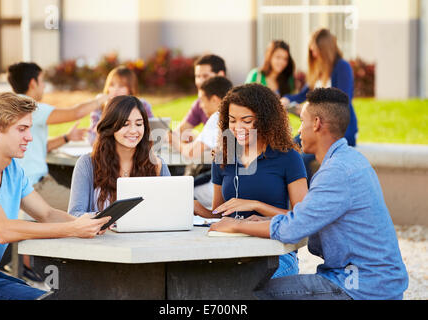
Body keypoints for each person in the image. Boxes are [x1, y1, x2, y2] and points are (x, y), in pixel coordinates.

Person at [210, 88, 409, 300]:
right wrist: (269, 217)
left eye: (302, 122)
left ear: (316, 124)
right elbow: (305, 219)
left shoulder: (336, 172)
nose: (298, 131)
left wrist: (238, 224)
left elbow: (293, 228)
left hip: (360, 286)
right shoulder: (350, 160)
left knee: (251, 292)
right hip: (370, 281)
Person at [0, 92, 111, 300]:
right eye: (21, 129)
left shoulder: (13, 169)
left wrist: (90, 223)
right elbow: (1, 229)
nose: (29, 137)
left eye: (29, 129)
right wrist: (72, 228)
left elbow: (47, 214)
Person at [194, 83, 308, 278]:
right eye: (232, 121)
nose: (238, 128)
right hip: (233, 251)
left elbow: (303, 219)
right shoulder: (223, 156)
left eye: (246, 120)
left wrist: (256, 205)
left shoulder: (287, 157)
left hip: (276, 255)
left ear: (265, 120)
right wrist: (195, 208)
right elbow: (219, 214)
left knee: (241, 284)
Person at [7, 62, 111, 211]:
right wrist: (103, 99)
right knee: (89, 205)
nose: (44, 86)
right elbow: (76, 113)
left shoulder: (12, 105)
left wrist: (66, 138)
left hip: (38, 181)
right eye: (42, 81)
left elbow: (37, 147)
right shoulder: (28, 107)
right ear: (32, 83)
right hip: (35, 185)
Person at [68, 96, 170, 216]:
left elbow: (169, 209)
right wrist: (100, 218)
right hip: (103, 234)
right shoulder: (87, 164)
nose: (133, 130)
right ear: (110, 126)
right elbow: (74, 214)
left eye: (138, 124)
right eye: (125, 124)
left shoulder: (157, 164)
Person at [281, 28, 358, 182]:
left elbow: (342, 101)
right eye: (311, 51)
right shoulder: (318, 69)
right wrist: (287, 100)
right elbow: (303, 94)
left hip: (336, 130)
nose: (314, 55)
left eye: (316, 51)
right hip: (315, 128)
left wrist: (309, 109)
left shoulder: (342, 67)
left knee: (302, 159)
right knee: (287, 151)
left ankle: (309, 196)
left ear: (326, 49)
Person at [171, 76, 233, 208]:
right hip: (238, 181)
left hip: (222, 187)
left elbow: (191, 153)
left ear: (215, 100)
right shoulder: (237, 114)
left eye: (202, 100)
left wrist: (175, 141)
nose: (200, 105)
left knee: (178, 193)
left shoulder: (217, 116)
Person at [88, 66, 154, 145]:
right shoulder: (100, 106)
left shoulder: (142, 105)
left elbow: (153, 132)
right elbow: (92, 140)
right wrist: (107, 112)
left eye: (121, 86)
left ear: (130, 89)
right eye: (112, 85)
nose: (115, 89)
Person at [171, 54, 227, 143]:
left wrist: (198, 138)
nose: (200, 81)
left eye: (205, 76)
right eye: (197, 76)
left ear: (220, 75)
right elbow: (180, 131)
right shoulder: (200, 103)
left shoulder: (235, 104)